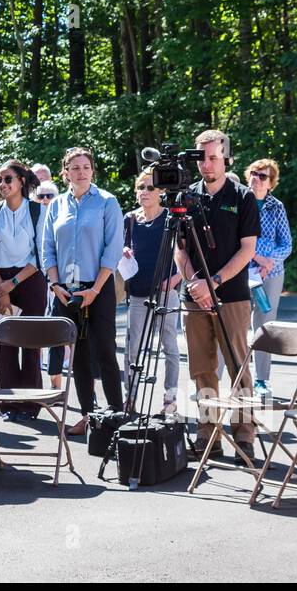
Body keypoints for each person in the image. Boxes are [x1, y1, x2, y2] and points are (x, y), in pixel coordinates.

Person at [175, 130, 261, 462]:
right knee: (202, 369)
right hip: (194, 296)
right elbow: (179, 250)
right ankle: (207, 434)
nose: (207, 164)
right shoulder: (185, 197)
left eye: (213, 157)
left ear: (225, 157)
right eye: (202, 158)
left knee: (239, 366)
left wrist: (215, 281)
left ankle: (245, 432)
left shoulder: (243, 196)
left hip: (233, 295)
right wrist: (195, 281)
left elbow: (248, 249)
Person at [42, 146, 124, 436]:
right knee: (77, 356)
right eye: (74, 167)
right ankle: (88, 415)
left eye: (85, 166)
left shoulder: (107, 202)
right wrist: (54, 285)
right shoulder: (57, 205)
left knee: (104, 352)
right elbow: (47, 250)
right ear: (65, 173)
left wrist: (96, 290)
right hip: (65, 290)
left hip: (97, 287)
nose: (81, 171)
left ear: (93, 170)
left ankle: (117, 416)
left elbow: (112, 251)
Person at [0, 159, 47, 419]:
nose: (2, 184)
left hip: (29, 279)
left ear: (21, 181)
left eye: (8, 179)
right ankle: (9, 405)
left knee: (31, 344)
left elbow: (40, 254)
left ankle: (30, 405)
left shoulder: (38, 211)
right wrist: (1, 287)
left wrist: (13, 283)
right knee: (5, 344)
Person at [122, 168, 183, 412]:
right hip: (138, 290)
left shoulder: (171, 218)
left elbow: (185, 252)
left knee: (169, 346)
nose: (144, 192)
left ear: (160, 192)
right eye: (141, 187)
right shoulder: (130, 219)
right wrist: (124, 252)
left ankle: (170, 399)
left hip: (166, 289)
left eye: (150, 188)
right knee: (132, 347)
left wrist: (177, 279)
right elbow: (123, 247)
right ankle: (131, 398)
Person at [246, 158, 292, 398]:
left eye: (263, 176)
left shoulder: (277, 206)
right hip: (241, 271)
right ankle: (232, 377)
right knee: (236, 324)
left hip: (271, 273)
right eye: (254, 173)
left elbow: (286, 243)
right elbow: (233, 238)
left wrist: (268, 262)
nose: (257, 178)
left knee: (264, 326)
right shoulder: (240, 200)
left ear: (271, 183)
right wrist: (255, 256)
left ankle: (262, 380)